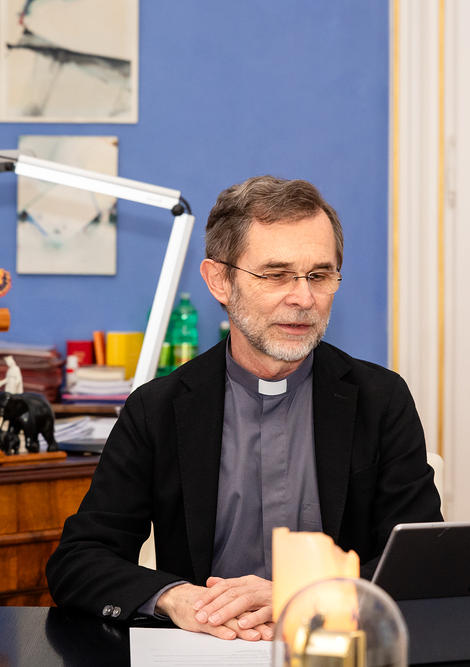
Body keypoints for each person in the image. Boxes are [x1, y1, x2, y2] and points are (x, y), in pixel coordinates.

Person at [47, 175, 441, 641]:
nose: (304, 298)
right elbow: (79, 560)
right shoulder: (158, 409)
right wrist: (176, 598)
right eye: (276, 274)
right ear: (220, 281)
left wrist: (303, 595)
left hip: (334, 644)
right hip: (207, 645)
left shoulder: (380, 399)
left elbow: (422, 561)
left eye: (319, 275)